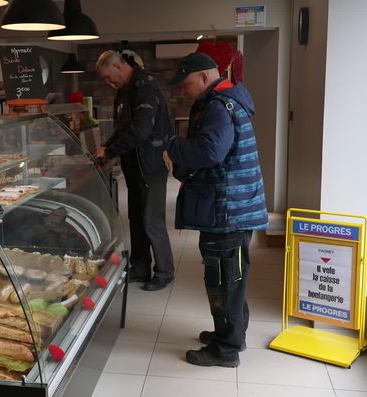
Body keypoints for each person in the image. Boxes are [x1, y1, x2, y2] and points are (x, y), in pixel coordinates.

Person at [166, 52, 268, 367]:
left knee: (224, 281)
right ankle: (231, 334)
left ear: (204, 77)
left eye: (186, 84)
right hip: (233, 208)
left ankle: (226, 349)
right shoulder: (227, 101)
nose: (184, 91)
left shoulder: (219, 107)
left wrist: (171, 145)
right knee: (231, 280)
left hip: (227, 212)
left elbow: (209, 151)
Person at [95, 50, 174, 291]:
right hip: (133, 165)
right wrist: (107, 148)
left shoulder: (144, 86)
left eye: (110, 77)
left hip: (150, 163)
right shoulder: (124, 91)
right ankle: (140, 267)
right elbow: (123, 127)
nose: (109, 83)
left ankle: (164, 271)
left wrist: (109, 152)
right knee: (137, 219)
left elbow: (140, 130)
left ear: (119, 66)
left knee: (152, 220)